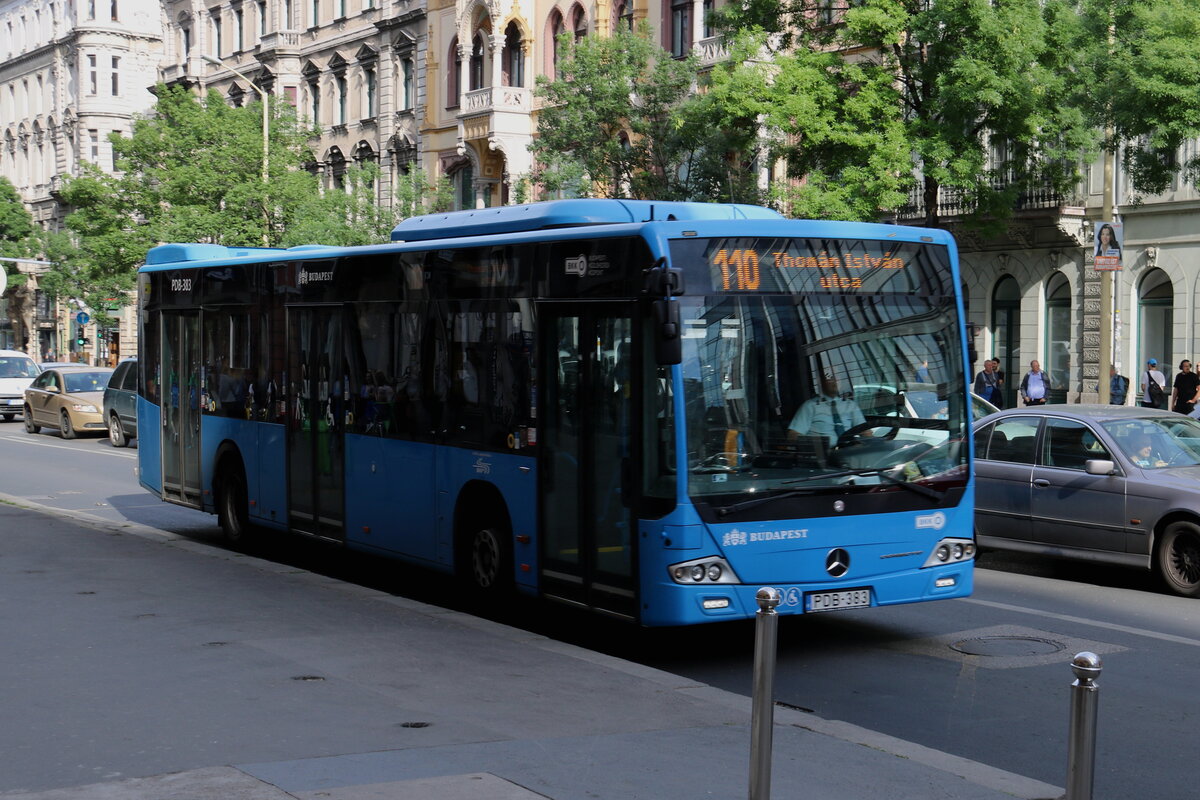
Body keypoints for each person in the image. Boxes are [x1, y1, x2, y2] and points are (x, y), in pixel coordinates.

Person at [788, 374, 866, 447]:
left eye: (836, 378)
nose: (834, 381)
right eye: (830, 378)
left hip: (849, 451)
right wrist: (815, 445)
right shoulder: (810, 406)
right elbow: (793, 435)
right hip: (822, 453)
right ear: (821, 383)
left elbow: (865, 432)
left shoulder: (850, 405)